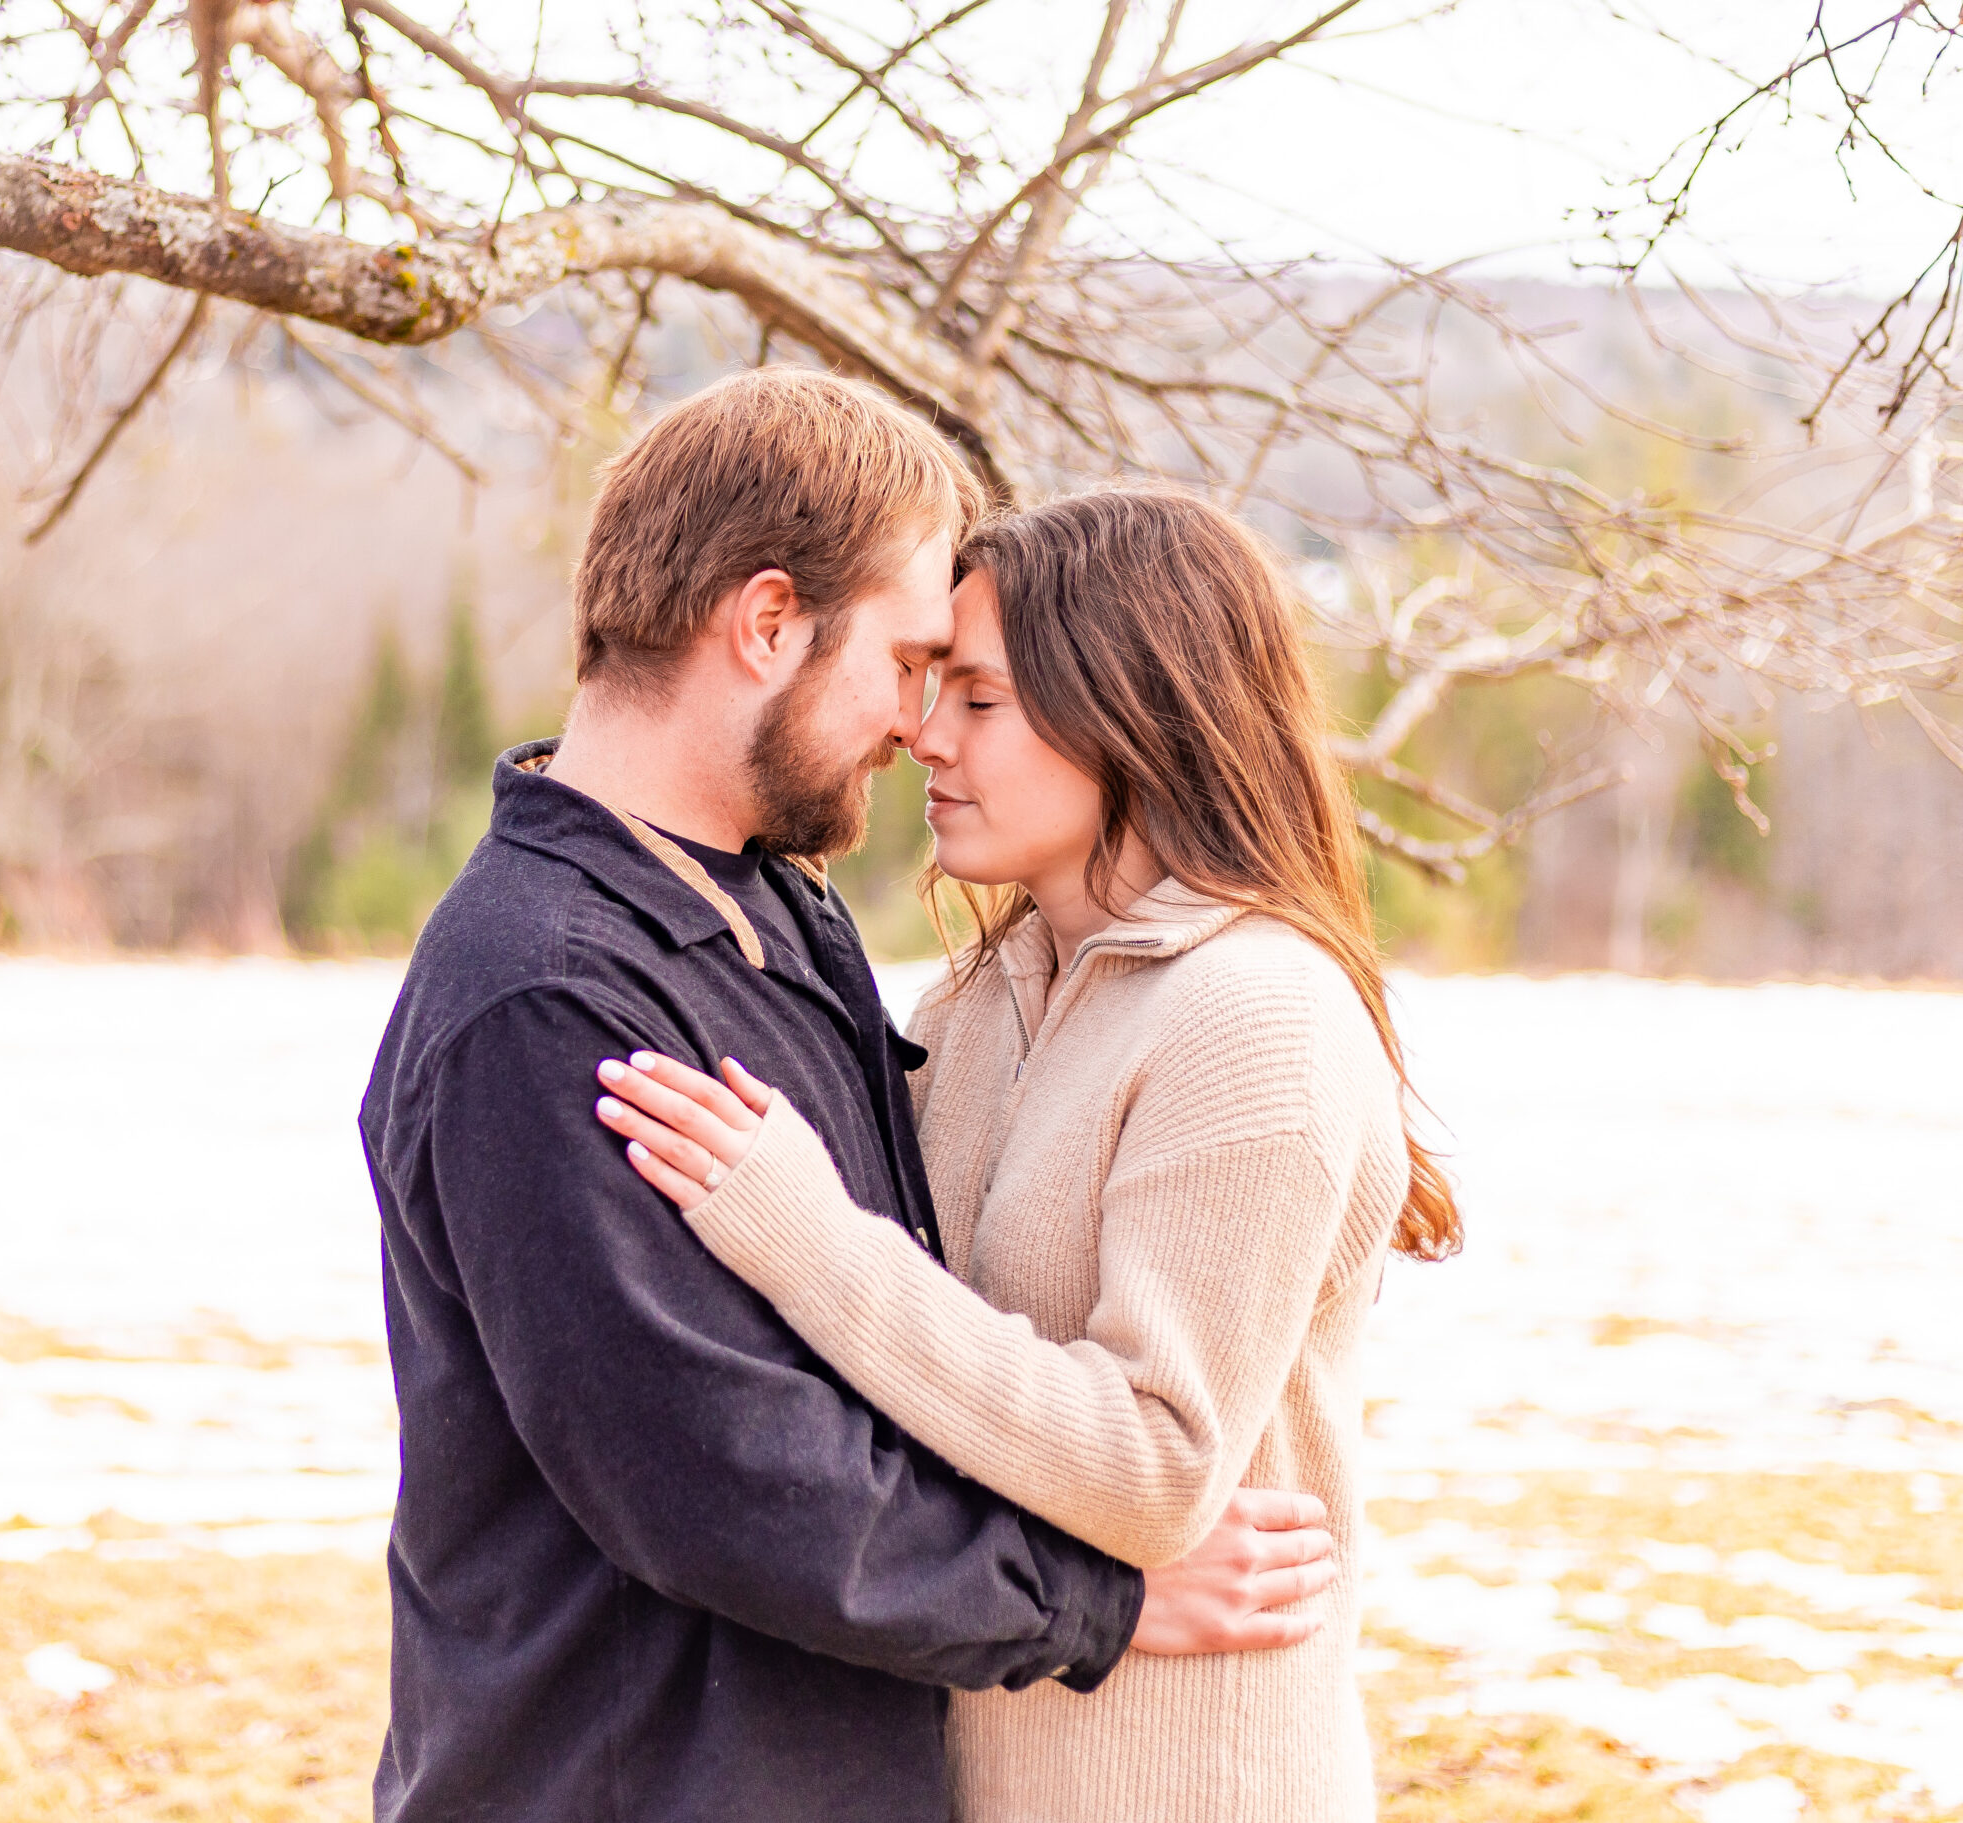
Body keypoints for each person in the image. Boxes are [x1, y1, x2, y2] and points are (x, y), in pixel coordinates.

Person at [359, 375, 1338, 1823]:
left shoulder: (777, 921)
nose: (915, 724)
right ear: (766, 625)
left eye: (962, 684)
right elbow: (723, 1480)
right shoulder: (549, 997)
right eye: (906, 660)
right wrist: (1094, 1607)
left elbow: (898, 1341)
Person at [594, 484, 1462, 1821]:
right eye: (932, 686)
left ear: (1134, 707)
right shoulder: (978, 1005)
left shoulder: (1256, 1015)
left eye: (980, 700)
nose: (924, 736)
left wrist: (812, 1243)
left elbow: (1161, 1467)